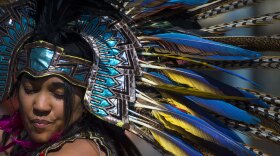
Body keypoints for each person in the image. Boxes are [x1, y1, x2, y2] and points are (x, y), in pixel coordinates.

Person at [1, 0, 280, 156]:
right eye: (30, 88)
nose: (40, 104)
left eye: (58, 92)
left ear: (87, 95)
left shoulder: (78, 150)